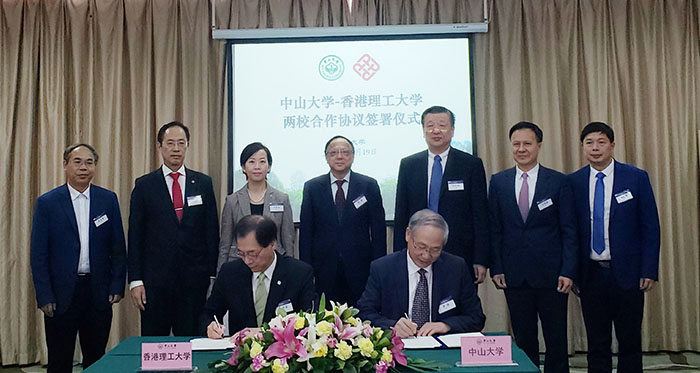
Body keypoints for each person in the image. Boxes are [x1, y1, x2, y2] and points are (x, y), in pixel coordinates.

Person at [569, 122, 660, 373]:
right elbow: (570, 231)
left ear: (612, 145)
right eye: (589, 143)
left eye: (601, 142)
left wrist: (649, 270)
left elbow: (650, 227)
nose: (595, 148)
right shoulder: (573, 182)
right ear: (583, 147)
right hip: (590, 274)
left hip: (629, 273)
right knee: (597, 343)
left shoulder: (636, 177)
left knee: (630, 340)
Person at [488, 122, 577, 372]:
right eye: (516, 144)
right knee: (524, 338)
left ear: (539, 145)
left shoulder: (558, 182)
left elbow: (569, 230)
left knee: (556, 339)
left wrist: (568, 270)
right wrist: (497, 267)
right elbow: (494, 229)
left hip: (552, 275)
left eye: (527, 143)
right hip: (515, 275)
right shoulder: (499, 182)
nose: (521, 149)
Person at [30, 144, 126, 372]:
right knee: (59, 359)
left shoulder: (108, 200)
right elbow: (38, 254)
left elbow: (118, 248)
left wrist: (116, 285)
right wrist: (44, 295)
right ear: (65, 165)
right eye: (77, 162)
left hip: (98, 292)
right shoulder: (48, 203)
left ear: (95, 166)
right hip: (61, 295)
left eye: (89, 162)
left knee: (96, 357)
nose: (83, 167)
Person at [127, 121, 219, 336]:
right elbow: (135, 236)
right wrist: (136, 280)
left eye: (181, 143)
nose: (176, 149)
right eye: (170, 143)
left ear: (187, 146)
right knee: (153, 345)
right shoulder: (144, 185)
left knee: (191, 343)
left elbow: (211, 232)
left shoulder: (203, 183)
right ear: (159, 147)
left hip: (194, 283)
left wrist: (212, 276)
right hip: (154, 283)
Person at [394, 106, 490, 284]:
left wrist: (480, 259)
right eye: (430, 126)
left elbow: (480, 215)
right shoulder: (409, 165)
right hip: (417, 251)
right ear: (423, 131)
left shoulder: (470, 164)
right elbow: (401, 214)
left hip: (460, 250)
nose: (436, 130)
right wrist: (398, 255)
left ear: (452, 130)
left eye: (442, 125)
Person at [357, 209, 485, 338]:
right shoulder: (383, 268)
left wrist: (445, 325)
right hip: (398, 346)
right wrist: (392, 326)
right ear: (408, 235)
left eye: (435, 249)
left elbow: (476, 318)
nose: (426, 255)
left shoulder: (456, 268)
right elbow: (364, 313)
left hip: (440, 347)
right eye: (421, 246)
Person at [299, 135, 386, 306]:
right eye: (334, 152)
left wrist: (378, 268)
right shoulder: (312, 187)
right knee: (325, 322)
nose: (339, 156)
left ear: (353, 156)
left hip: (360, 267)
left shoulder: (368, 185)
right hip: (323, 267)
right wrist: (306, 270)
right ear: (326, 157)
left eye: (345, 152)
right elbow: (306, 233)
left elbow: (378, 231)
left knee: (362, 318)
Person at [202, 215, 317, 338]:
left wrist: (264, 333)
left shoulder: (299, 273)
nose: (247, 261)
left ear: (272, 244)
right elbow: (208, 313)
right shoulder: (230, 272)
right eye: (241, 253)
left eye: (253, 254)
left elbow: (309, 322)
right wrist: (210, 325)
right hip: (238, 353)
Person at [218, 142, 294, 271]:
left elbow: (288, 241)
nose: (257, 167)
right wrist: (219, 274)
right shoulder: (232, 201)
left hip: (273, 264)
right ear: (243, 167)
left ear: (269, 167)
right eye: (252, 162)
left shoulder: (282, 199)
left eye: (262, 162)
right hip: (240, 263)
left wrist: (291, 270)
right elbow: (225, 244)